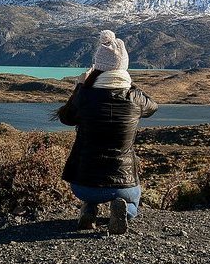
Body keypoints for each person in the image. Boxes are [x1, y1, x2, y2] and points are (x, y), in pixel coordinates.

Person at [57, 30, 158, 234]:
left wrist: (79, 87)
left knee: (90, 193)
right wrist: (129, 84)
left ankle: (89, 209)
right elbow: (153, 106)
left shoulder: (85, 96)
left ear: (97, 68)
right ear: (124, 68)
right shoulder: (134, 98)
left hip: (83, 183)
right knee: (133, 202)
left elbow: (66, 118)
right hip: (124, 183)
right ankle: (121, 210)